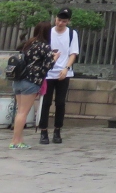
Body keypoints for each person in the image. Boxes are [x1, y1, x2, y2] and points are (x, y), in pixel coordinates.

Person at [10, 21, 57, 150]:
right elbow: (48, 66)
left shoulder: (28, 44)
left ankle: (19, 140)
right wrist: (55, 58)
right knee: (23, 113)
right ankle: (15, 141)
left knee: (20, 111)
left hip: (18, 80)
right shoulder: (44, 46)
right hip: (31, 81)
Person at [39, 8, 80, 145]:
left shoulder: (72, 34)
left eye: (64, 21)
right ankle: (43, 131)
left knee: (60, 102)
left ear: (68, 21)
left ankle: (57, 130)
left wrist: (66, 68)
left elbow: (73, 53)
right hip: (48, 73)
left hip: (64, 72)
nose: (60, 23)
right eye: (58, 20)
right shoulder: (49, 32)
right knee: (46, 102)